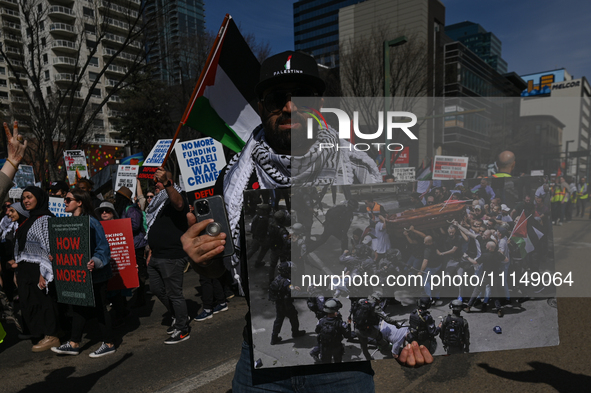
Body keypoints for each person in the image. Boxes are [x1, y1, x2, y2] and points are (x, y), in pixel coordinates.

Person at [180, 50, 433, 392]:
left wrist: (402, 333)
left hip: (343, 364)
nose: (290, 107)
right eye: (277, 98)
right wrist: (203, 260)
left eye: (302, 96)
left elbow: (391, 262)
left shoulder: (360, 170)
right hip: (262, 365)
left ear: (320, 102)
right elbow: (223, 270)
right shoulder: (231, 181)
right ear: (261, 105)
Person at [51, 189, 115, 357]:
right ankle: (74, 343)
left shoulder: (92, 222)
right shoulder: (70, 223)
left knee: (100, 308)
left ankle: (109, 343)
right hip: (80, 276)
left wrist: (95, 261)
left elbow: (103, 248)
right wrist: (57, 256)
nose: (64, 202)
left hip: (96, 275)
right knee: (79, 308)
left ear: (79, 202)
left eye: (68, 199)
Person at [145, 167, 191, 344]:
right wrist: (150, 251)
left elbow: (179, 204)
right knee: (157, 289)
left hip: (172, 255)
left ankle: (182, 328)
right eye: (156, 182)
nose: (156, 185)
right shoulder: (157, 203)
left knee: (174, 293)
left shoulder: (175, 197)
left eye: (159, 181)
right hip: (157, 255)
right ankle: (178, 316)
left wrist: (166, 182)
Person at [14, 186, 59, 352]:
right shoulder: (29, 219)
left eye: (29, 197)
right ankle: (40, 332)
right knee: (31, 302)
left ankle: (52, 335)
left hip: (39, 268)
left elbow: (48, 247)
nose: (26, 200)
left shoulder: (45, 219)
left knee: (44, 302)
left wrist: (45, 273)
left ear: (39, 198)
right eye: (24, 198)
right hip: (26, 269)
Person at [114, 186, 149, 308]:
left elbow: (134, 226)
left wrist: (121, 227)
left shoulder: (132, 210)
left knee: (138, 271)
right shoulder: (124, 209)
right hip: (129, 245)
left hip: (136, 245)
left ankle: (141, 296)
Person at [268, 261, 305, 345]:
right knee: (293, 316)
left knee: (279, 320)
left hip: (279, 303)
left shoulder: (278, 278)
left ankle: (274, 337)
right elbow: (293, 293)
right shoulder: (287, 282)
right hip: (286, 304)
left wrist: (293, 287)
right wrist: (307, 294)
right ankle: (295, 332)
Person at [310, 298, 350, 363]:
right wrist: (348, 326)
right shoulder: (340, 323)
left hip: (325, 347)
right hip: (336, 347)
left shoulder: (321, 321)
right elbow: (347, 335)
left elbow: (317, 331)